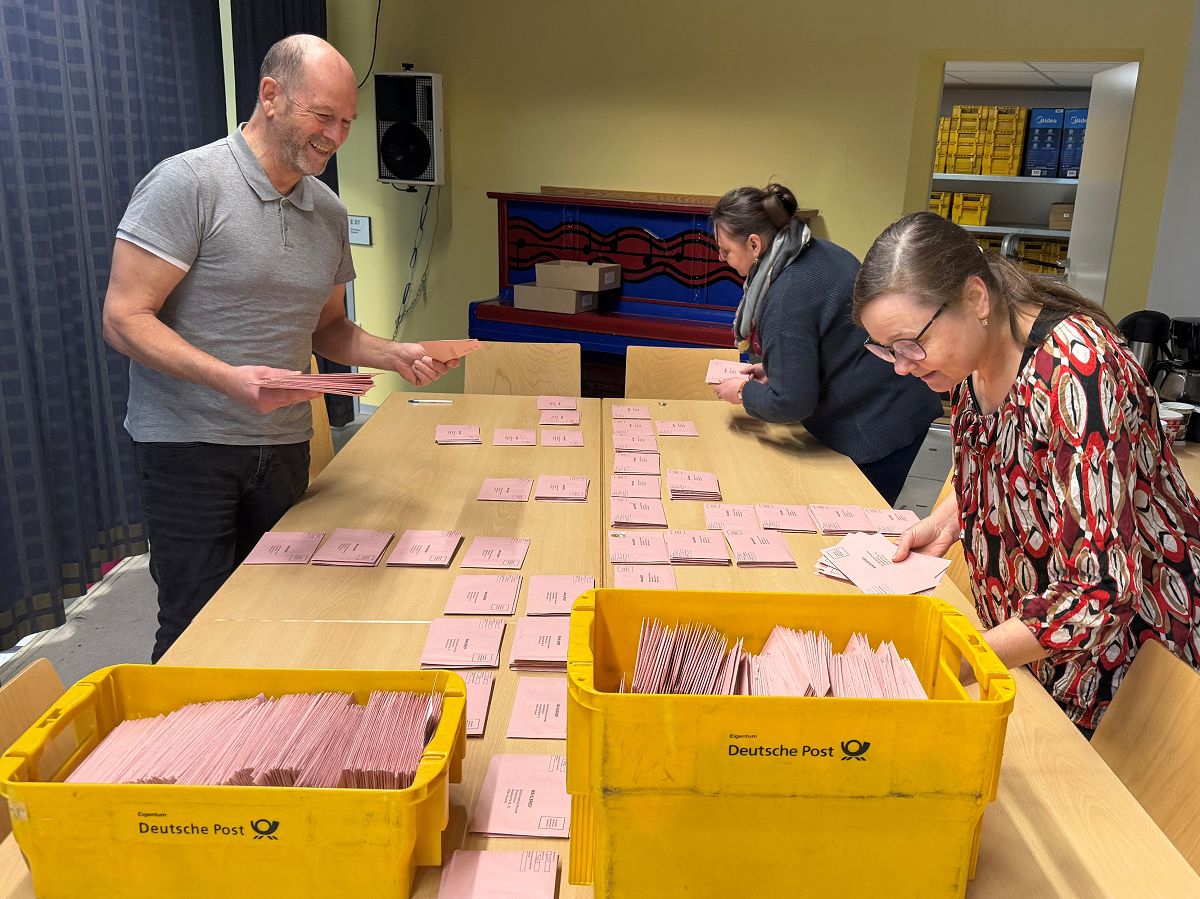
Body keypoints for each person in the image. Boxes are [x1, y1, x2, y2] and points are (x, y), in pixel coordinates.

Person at [102, 35, 455, 661]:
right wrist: (230, 379)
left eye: (346, 122)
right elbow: (126, 318)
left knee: (282, 612)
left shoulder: (327, 211)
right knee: (195, 626)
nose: (337, 136)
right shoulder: (188, 184)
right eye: (323, 116)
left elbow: (327, 330)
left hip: (284, 444)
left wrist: (393, 353)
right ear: (270, 96)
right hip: (190, 445)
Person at [851, 210, 1200, 733]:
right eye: (887, 351)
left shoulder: (1079, 371)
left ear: (976, 298)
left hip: (1128, 665)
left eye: (910, 343)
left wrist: (953, 660)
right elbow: (1026, 467)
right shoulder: (968, 364)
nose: (903, 365)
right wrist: (951, 516)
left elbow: (1099, 591)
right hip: (1037, 648)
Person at [709, 183, 942, 505]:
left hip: (873, 424)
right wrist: (778, 369)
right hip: (897, 401)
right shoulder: (813, 250)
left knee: (854, 534)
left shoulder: (783, 295)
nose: (723, 259)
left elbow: (790, 403)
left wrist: (742, 392)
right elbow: (829, 339)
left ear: (753, 244)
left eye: (725, 250)